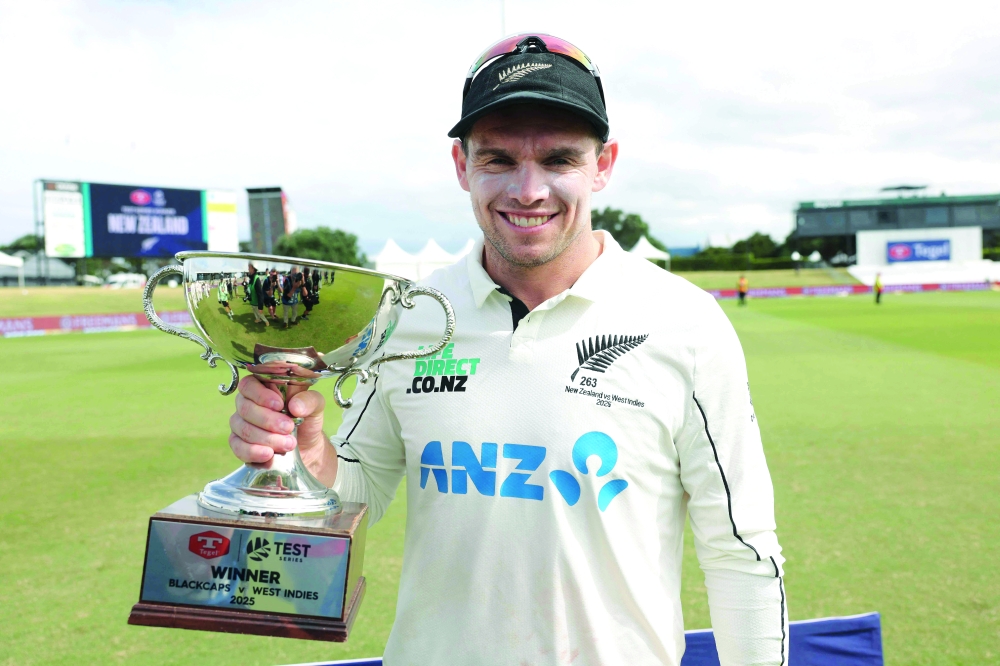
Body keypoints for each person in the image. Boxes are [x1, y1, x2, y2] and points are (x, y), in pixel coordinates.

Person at [227, 34, 786, 665]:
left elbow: (740, 547)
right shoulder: (407, 316)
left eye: (558, 159)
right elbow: (359, 490)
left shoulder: (684, 322)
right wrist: (307, 455)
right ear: (461, 165)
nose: (527, 190)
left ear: (603, 164)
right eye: (497, 159)